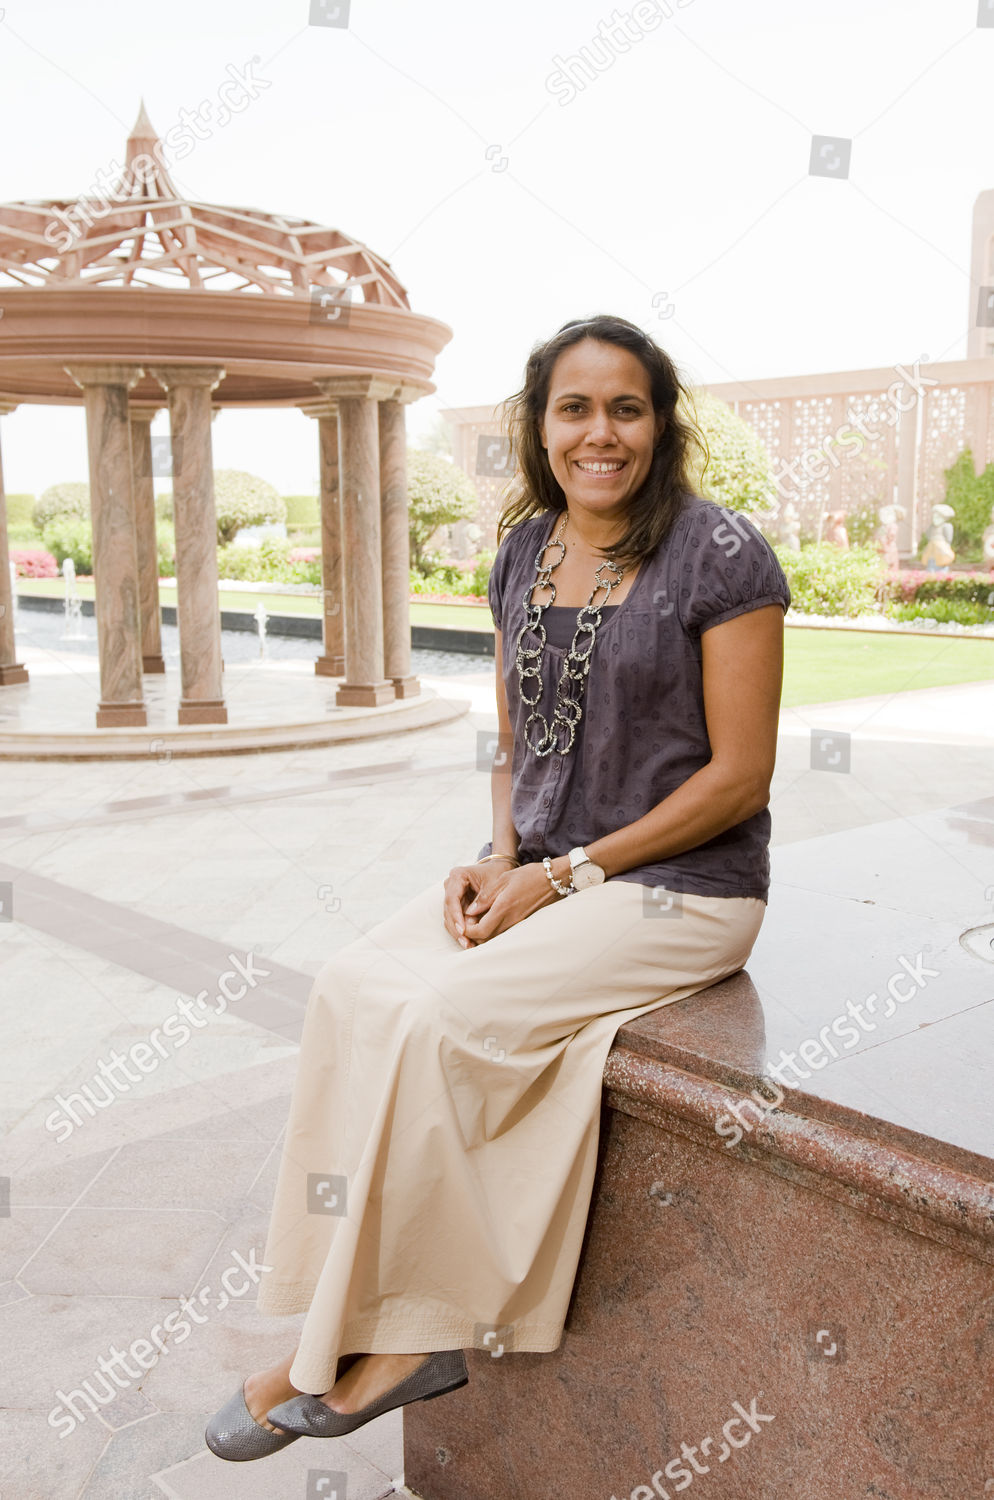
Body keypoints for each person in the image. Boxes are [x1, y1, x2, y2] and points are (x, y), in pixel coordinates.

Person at [205, 312, 791, 1461]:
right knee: (351, 986)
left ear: (660, 422)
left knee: (438, 1016)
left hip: (679, 889)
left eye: (626, 406)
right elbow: (516, 738)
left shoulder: (721, 555)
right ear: (538, 426)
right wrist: (496, 855)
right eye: (573, 408)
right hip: (544, 871)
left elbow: (740, 776)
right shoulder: (522, 552)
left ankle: (396, 1346)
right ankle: (356, 1323)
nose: (599, 433)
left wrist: (563, 873)